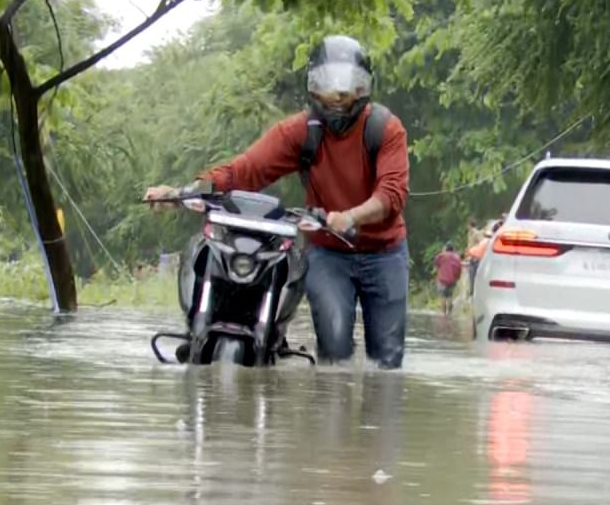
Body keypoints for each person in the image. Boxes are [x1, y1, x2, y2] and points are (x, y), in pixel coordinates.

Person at [144, 35, 411, 368]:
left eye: (349, 87)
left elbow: (392, 195)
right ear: (313, 87)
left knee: (387, 361)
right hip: (329, 252)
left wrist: (350, 217)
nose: (339, 98)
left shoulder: (385, 129)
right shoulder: (300, 131)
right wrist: (183, 191)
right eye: (328, 86)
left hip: (384, 252)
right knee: (334, 352)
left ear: (365, 88)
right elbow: (245, 170)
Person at [432, 243, 463, 315]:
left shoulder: (442, 255)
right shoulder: (457, 257)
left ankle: (443, 313)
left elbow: (436, 263)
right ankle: (449, 313)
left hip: (442, 279)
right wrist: (457, 278)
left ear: (446, 248)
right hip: (452, 280)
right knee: (449, 296)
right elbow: (459, 269)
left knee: (442, 296)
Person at [464, 219, 487, 296]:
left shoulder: (476, 233)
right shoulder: (469, 234)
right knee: (471, 275)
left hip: (476, 256)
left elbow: (481, 243)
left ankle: (474, 292)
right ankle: (472, 291)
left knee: (475, 275)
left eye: (468, 225)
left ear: (470, 225)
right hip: (471, 256)